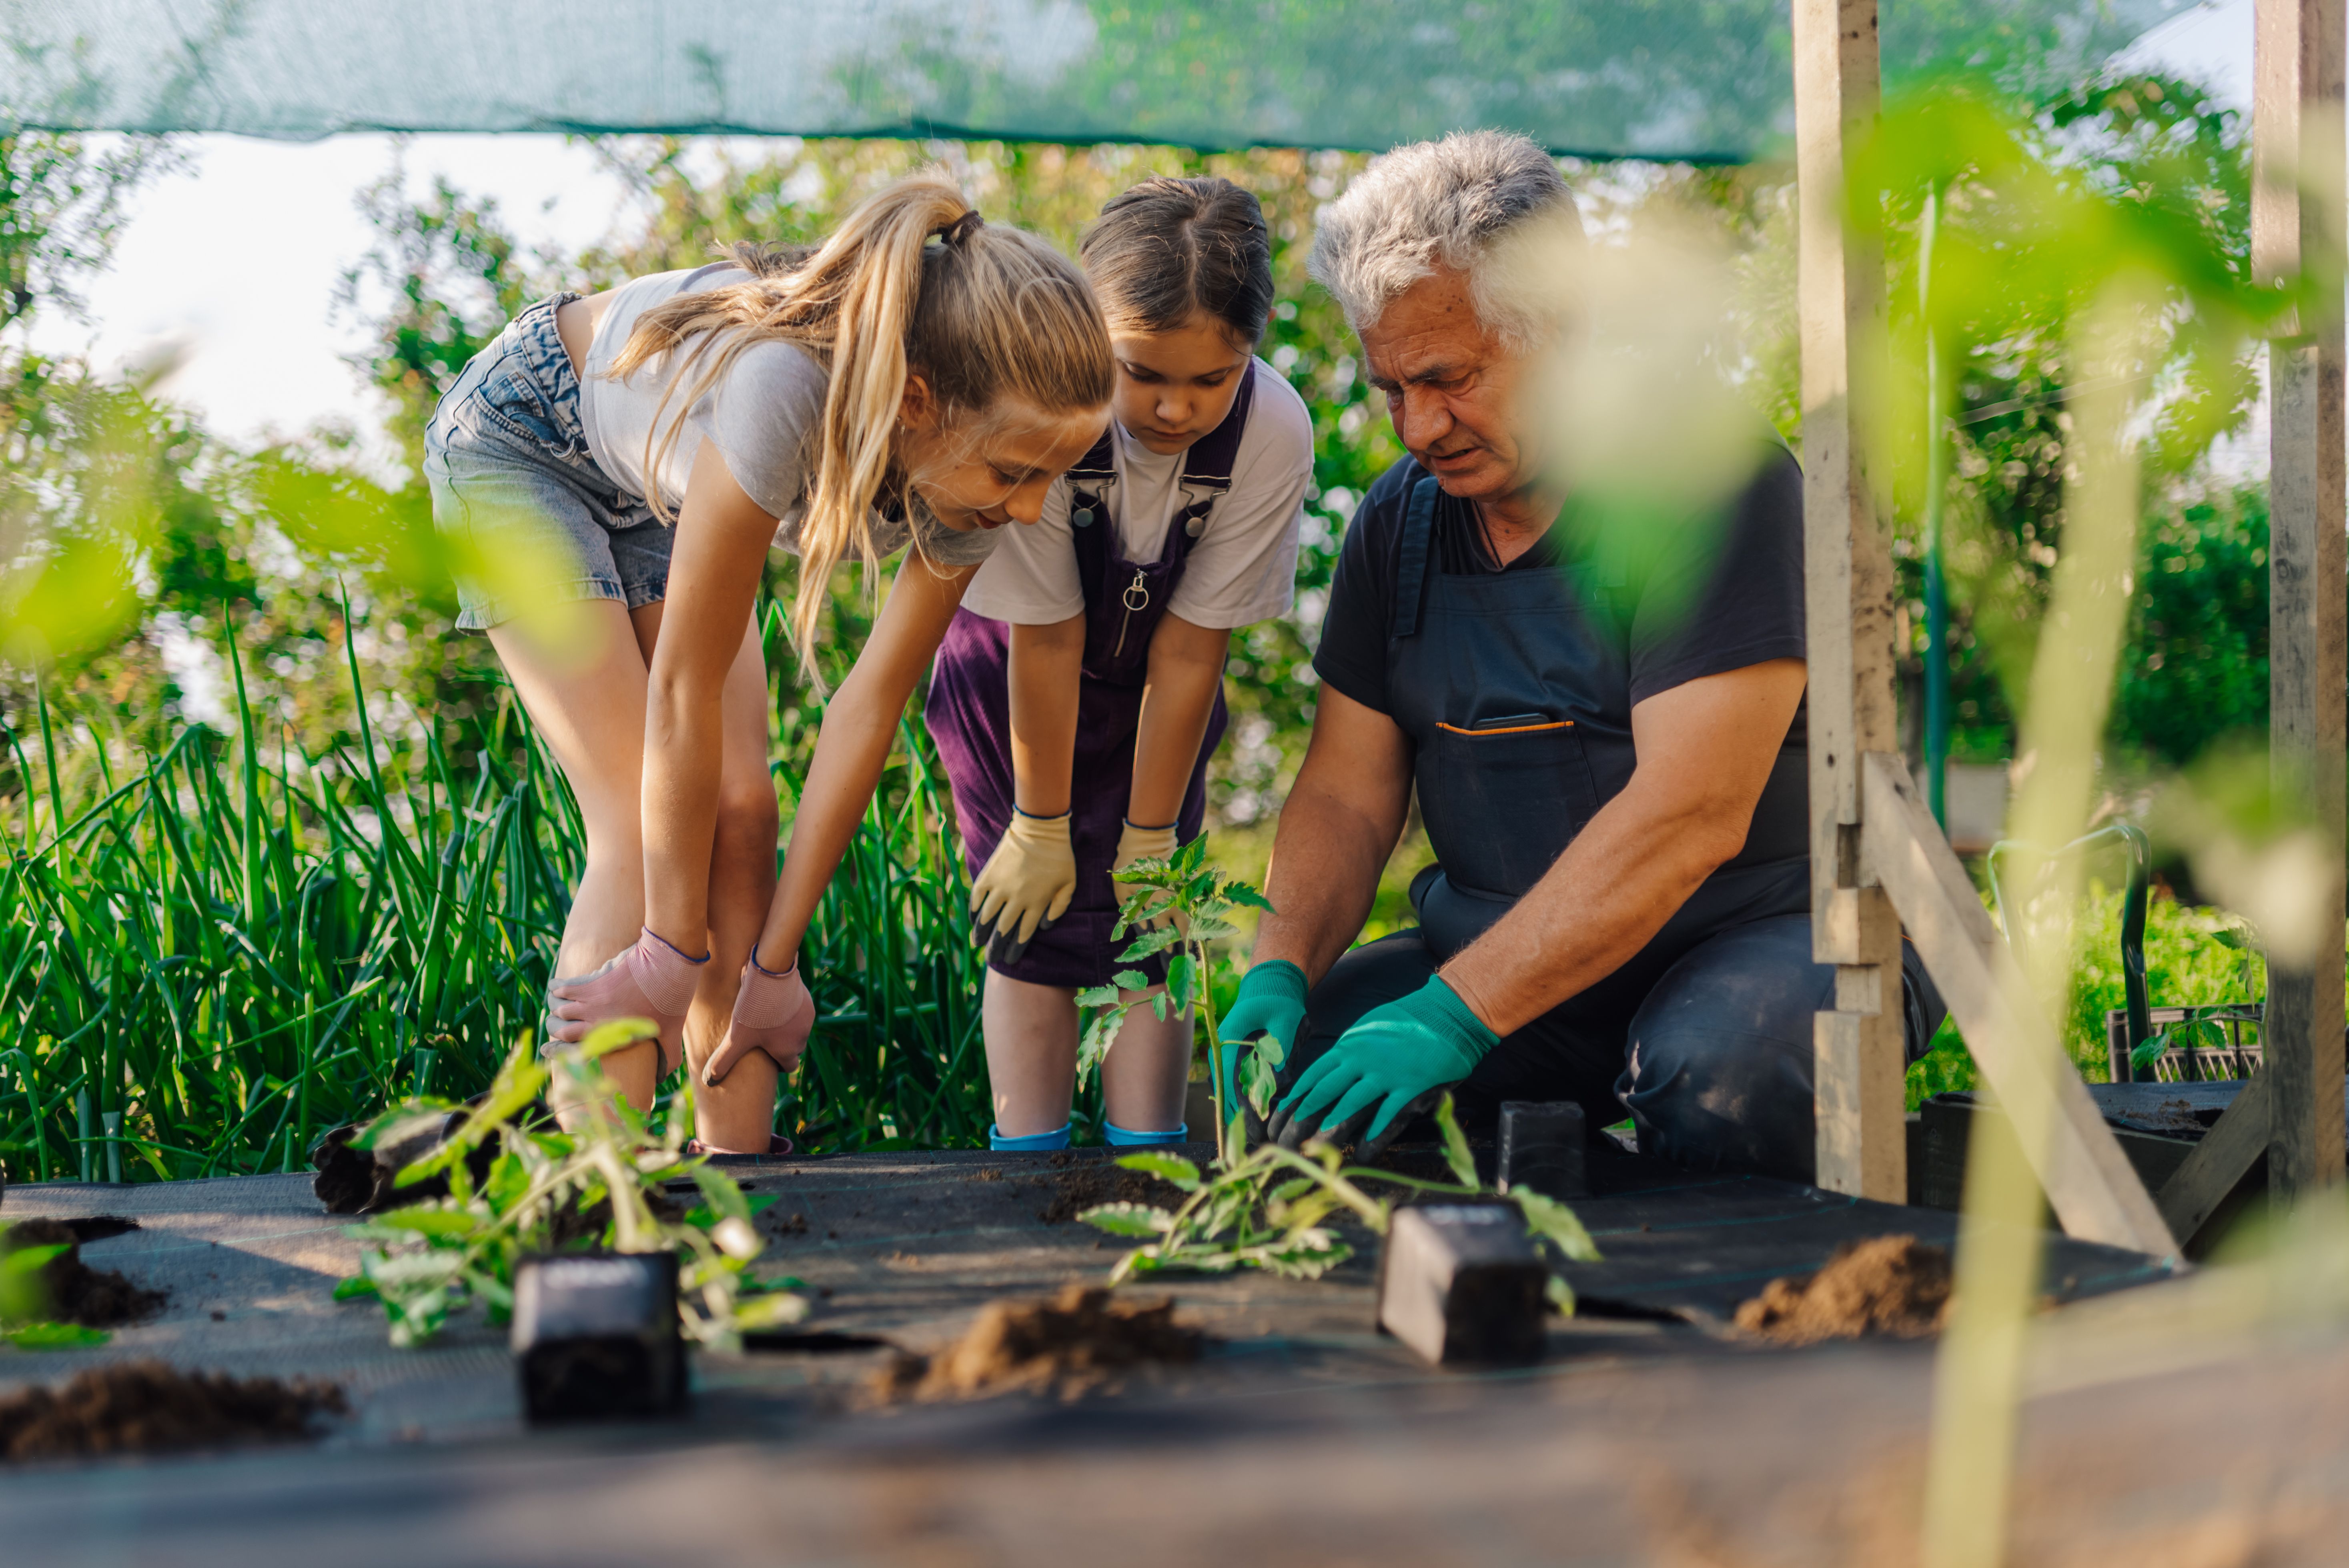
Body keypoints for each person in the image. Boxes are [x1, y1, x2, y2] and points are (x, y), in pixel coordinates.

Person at [1219, 133, 1944, 1179]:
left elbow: (1685, 817)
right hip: (1516, 956)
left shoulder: (1706, 479)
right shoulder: (1399, 523)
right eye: (1389, 391)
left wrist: (1455, 1018)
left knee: (1716, 1082)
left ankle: (1750, 1327)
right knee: (1301, 1076)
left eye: (1448, 379)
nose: (1416, 427)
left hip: (1765, 943)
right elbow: (1342, 791)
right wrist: (1278, 969)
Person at [424, 174, 1113, 1152]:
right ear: (918, 401)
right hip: (524, 441)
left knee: (743, 813)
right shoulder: (784, 389)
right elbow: (682, 692)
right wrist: (666, 951)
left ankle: (738, 1168)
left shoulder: (969, 482)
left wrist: (776, 967)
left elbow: (865, 709)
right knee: (639, 814)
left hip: (657, 479)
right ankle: (592, 1187)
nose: (1035, 507)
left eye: (1054, 474)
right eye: (1018, 473)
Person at [924, 177, 1312, 1151]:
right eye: (1142, 373)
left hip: (1157, 691)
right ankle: (1031, 1155)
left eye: (1211, 379)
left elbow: (1190, 650)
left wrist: (1149, 839)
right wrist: (1039, 822)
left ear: (1248, 355)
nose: (1176, 406)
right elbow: (1045, 636)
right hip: (1012, 675)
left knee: (1156, 916)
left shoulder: (1272, 432)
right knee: (1037, 915)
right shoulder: (1042, 398)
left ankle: (1149, 1149)